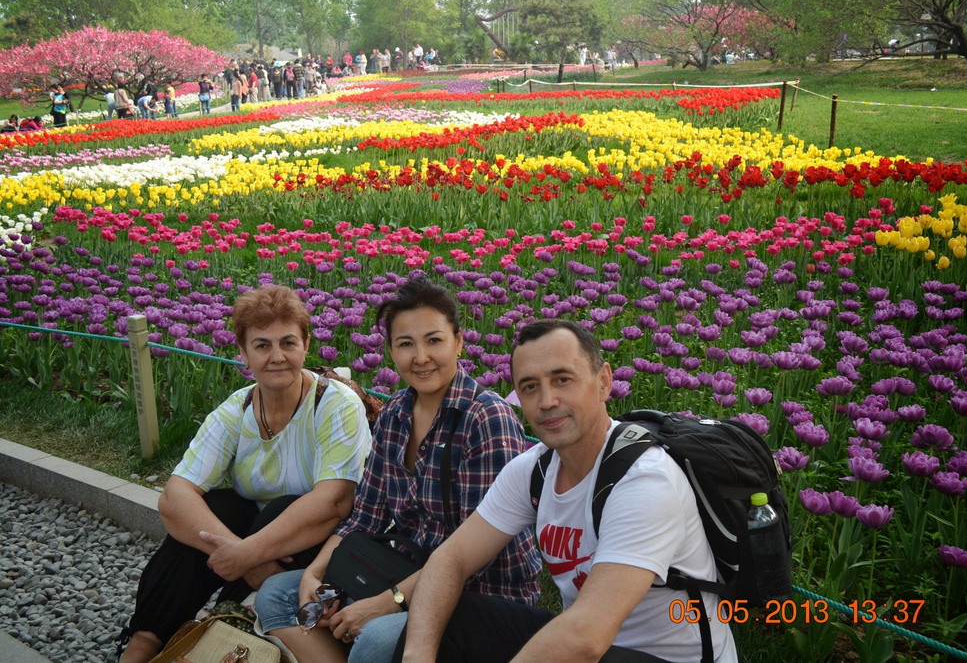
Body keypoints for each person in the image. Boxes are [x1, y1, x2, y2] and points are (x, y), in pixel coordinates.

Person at [395, 319, 738, 663]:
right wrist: (417, 655)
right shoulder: (535, 469)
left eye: (562, 379)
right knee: (454, 618)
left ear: (604, 382)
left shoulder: (645, 482)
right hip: (593, 642)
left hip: (667, 657)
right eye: (530, 387)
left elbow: (586, 638)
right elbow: (450, 559)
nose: (547, 401)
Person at [254, 277, 541, 663]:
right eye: (406, 344)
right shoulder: (395, 414)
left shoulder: (485, 418)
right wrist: (315, 573)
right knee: (277, 595)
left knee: (375, 639)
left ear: (458, 341)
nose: (421, 357)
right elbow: (365, 517)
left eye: (434, 340)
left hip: (479, 593)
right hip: (402, 570)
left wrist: (386, 603)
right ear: (391, 350)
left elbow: (473, 555)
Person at [117, 285, 373, 662]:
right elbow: (174, 498)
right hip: (256, 548)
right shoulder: (236, 410)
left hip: (330, 547)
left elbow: (334, 502)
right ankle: (144, 641)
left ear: (306, 345)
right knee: (219, 508)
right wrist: (244, 555)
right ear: (243, 352)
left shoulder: (336, 404)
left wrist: (247, 554)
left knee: (283, 506)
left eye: (288, 343)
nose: (277, 356)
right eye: (262, 345)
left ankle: (231, 624)